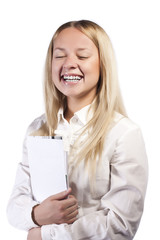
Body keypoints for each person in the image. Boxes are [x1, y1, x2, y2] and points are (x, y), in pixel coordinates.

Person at [7, 20, 148, 240]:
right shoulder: (37, 129)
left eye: (82, 56)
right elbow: (15, 207)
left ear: (103, 65)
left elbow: (121, 223)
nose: (69, 63)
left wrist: (45, 234)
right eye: (60, 55)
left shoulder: (123, 134)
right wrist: (36, 214)